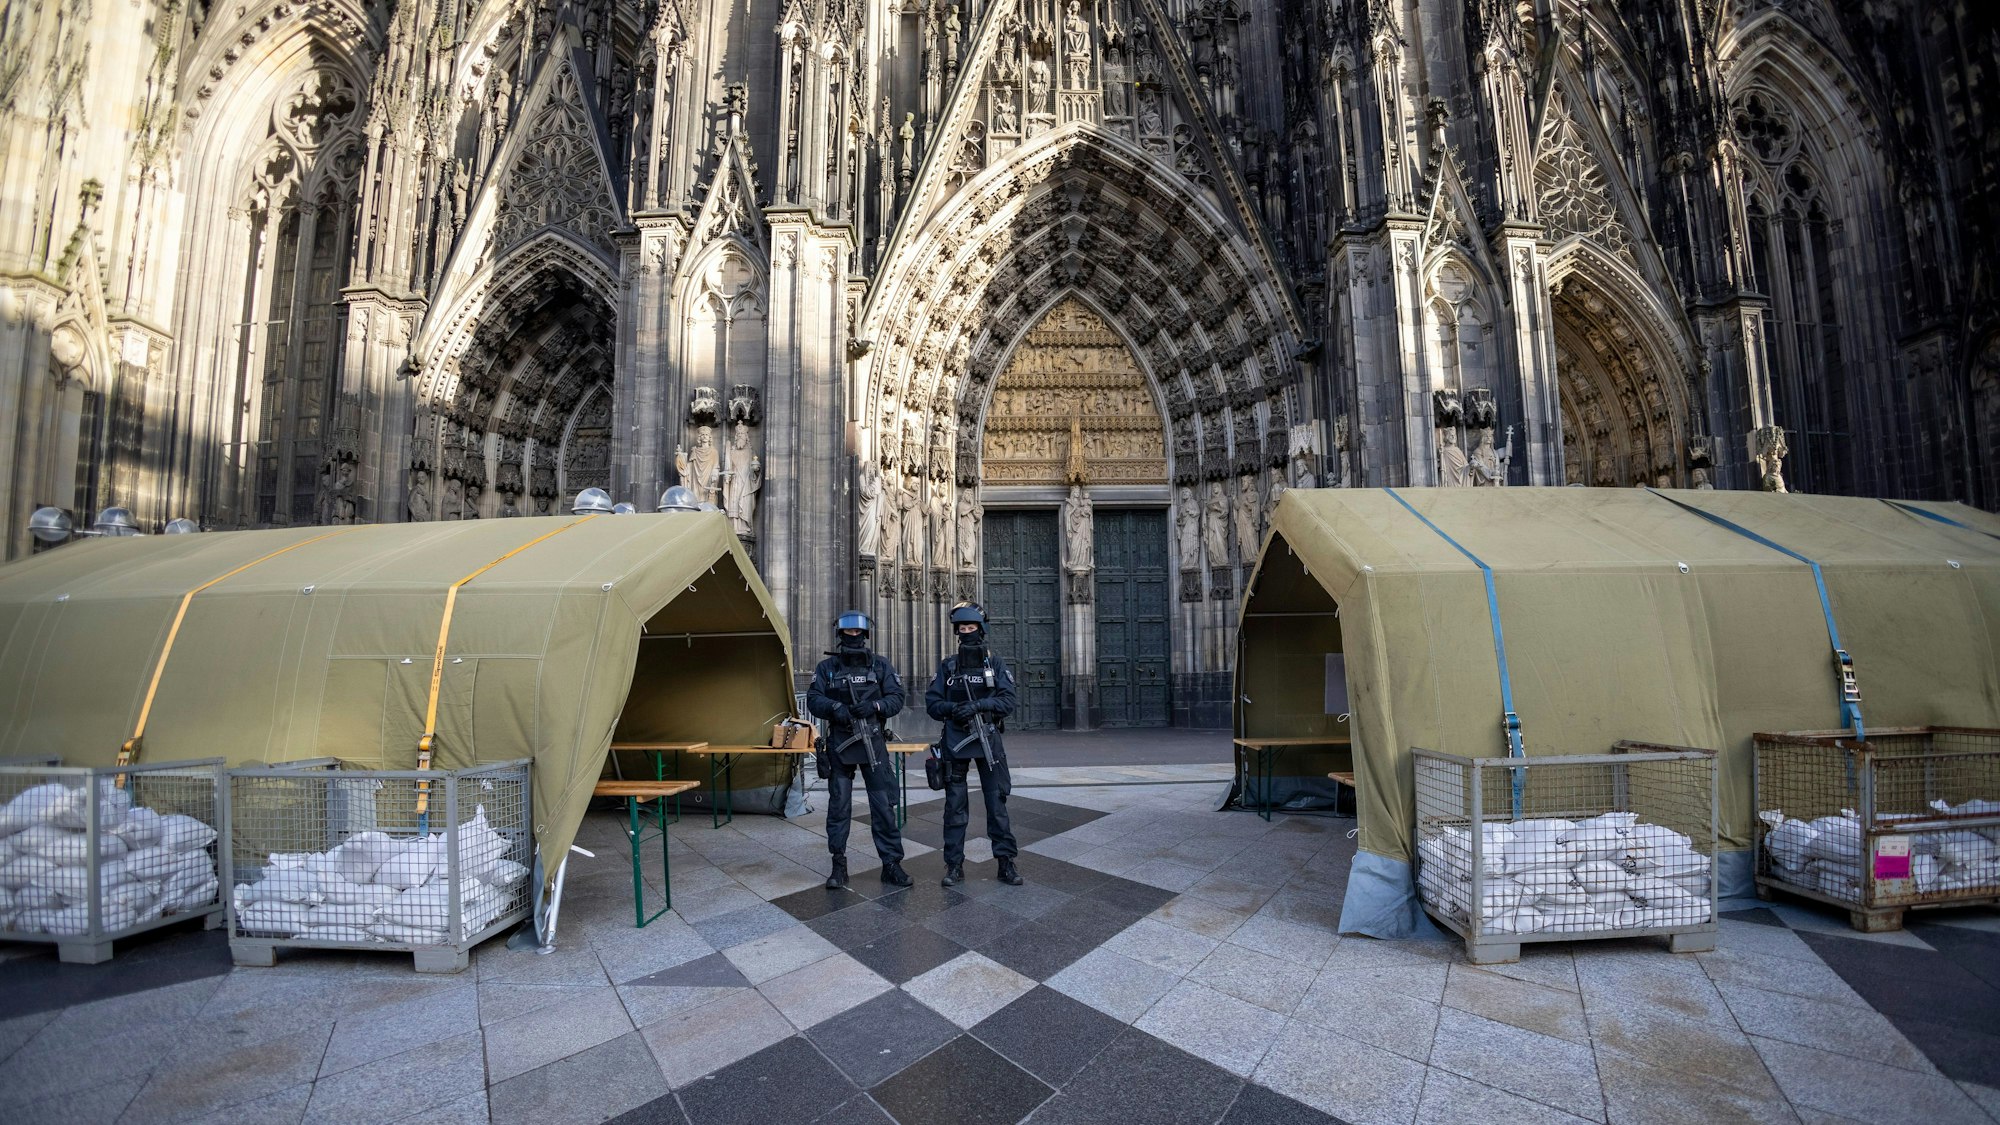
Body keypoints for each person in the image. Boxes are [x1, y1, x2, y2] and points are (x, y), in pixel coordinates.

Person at [807, 613, 913, 890]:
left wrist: (875, 707)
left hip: (872, 744)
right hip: (840, 744)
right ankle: (838, 864)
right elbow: (814, 699)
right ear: (840, 634)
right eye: (848, 631)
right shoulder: (827, 667)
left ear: (865, 635)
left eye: (857, 631)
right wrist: (836, 708)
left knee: (883, 808)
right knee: (838, 807)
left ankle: (891, 864)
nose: (852, 636)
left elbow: (896, 697)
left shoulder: (880, 666)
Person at [925, 603, 1023, 887]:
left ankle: (1006, 863)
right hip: (956, 741)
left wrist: (979, 705)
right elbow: (933, 703)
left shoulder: (995, 664)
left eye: (972, 628)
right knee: (955, 806)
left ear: (981, 629)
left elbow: (1008, 701)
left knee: (997, 805)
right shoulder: (948, 666)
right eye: (963, 629)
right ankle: (954, 865)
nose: (967, 632)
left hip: (988, 740)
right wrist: (953, 709)